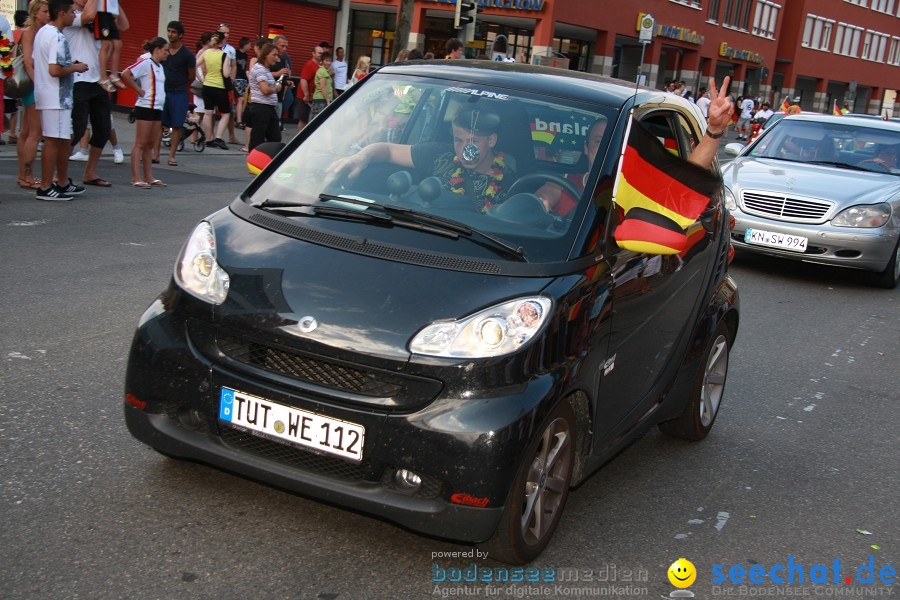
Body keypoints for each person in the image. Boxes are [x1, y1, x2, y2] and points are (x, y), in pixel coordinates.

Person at [537, 76, 736, 216]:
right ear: (586, 148)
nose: (606, 150)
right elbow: (540, 200)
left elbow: (685, 183)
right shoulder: (563, 183)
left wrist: (714, 130)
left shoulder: (641, 189)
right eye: (599, 142)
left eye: (613, 143)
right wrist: (536, 204)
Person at [329, 105, 516, 212]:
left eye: (473, 141)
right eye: (459, 140)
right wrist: (361, 158)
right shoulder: (439, 154)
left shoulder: (510, 179)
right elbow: (387, 150)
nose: (465, 149)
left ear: (491, 140)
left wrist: (546, 191)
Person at [33, 0, 89, 201]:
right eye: (72, 12)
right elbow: (54, 70)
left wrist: (71, 65)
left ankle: (62, 181)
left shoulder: (45, 33)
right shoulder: (56, 36)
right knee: (53, 141)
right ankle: (46, 186)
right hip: (55, 96)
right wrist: (76, 67)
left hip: (54, 95)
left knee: (63, 139)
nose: (75, 16)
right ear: (62, 13)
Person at [65, 0, 124, 189]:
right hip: (78, 79)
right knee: (77, 130)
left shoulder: (101, 16)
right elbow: (88, 16)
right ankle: (59, 174)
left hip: (98, 81)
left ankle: (90, 173)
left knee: (103, 129)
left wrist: (114, 3)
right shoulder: (71, 16)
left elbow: (123, 25)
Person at [119, 37, 168, 188]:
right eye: (165, 50)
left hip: (157, 108)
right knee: (140, 143)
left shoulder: (160, 67)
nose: (167, 53)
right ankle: (136, 177)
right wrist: (138, 90)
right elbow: (126, 74)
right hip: (145, 107)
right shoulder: (146, 62)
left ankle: (149, 176)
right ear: (157, 50)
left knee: (150, 144)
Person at [16, 0, 50, 190]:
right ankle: (27, 176)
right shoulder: (30, 33)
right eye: (45, 11)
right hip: (33, 85)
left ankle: (24, 175)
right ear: (36, 13)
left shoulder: (40, 32)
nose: (48, 14)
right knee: (34, 133)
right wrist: (39, 87)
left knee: (27, 132)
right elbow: (29, 63)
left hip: (33, 85)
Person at [156, 20, 193, 166]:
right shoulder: (163, 51)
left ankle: (172, 156)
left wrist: (180, 82)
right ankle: (156, 154)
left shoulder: (187, 54)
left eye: (174, 32)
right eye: (169, 31)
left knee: (177, 125)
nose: (170, 34)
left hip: (179, 93)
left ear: (180, 35)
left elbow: (191, 75)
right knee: (159, 124)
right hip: (163, 92)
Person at [199, 30, 231, 149]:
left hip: (207, 85)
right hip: (219, 87)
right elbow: (226, 74)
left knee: (208, 113)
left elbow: (196, 63)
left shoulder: (206, 52)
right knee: (225, 114)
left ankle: (208, 139)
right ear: (222, 41)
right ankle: (218, 138)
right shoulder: (224, 55)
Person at [246, 42, 282, 151]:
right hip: (261, 107)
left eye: (277, 55)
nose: (277, 58)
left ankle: (268, 162)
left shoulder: (266, 70)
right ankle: (254, 161)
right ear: (265, 54)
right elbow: (265, 89)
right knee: (258, 139)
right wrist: (276, 88)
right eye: (274, 55)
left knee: (275, 138)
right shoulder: (259, 69)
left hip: (268, 108)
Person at [94, 0, 123, 92]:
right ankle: (102, 76)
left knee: (118, 44)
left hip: (111, 12)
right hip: (101, 11)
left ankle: (114, 74)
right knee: (105, 44)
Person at [297, 44, 323, 130]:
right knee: (303, 120)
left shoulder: (319, 66)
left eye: (322, 53)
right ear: (313, 54)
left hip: (313, 97)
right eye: (319, 53)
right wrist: (306, 94)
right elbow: (303, 79)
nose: (321, 55)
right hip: (304, 97)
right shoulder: (309, 65)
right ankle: (299, 140)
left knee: (309, 120)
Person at [309, 51, 333, 122]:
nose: (328, 63)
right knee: (318, 122)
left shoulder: (325, 71)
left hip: (322, 100)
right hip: (321, 100)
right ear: (322, 61)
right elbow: (323, 87)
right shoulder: (322, 71)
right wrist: (328, 100)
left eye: (330, 61)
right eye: (326, 61)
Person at [233, 36, 250, 130]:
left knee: (241, 100)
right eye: (249, 44)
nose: (250, 46)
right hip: (237, 78)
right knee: (241, 99)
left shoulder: (246, 55)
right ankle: (239, 120)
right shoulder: (235, 53)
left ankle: (238, 118)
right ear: (245, 44)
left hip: (243, 79)